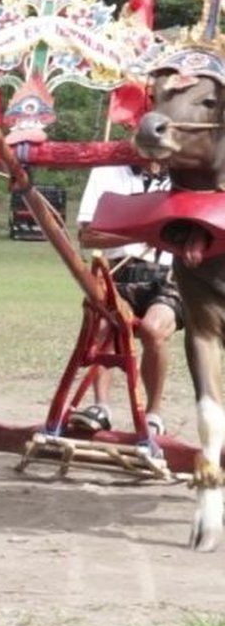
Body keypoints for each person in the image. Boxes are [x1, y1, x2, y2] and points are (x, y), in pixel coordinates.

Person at [71, 164, 184, 437]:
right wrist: (141, 233)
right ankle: (101, 408)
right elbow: (87, 235)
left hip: (170, 278)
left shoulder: (187, 175)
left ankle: (154, 415)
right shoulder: (104, 173)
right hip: (117, 276)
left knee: (153, 330)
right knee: (101, 329)